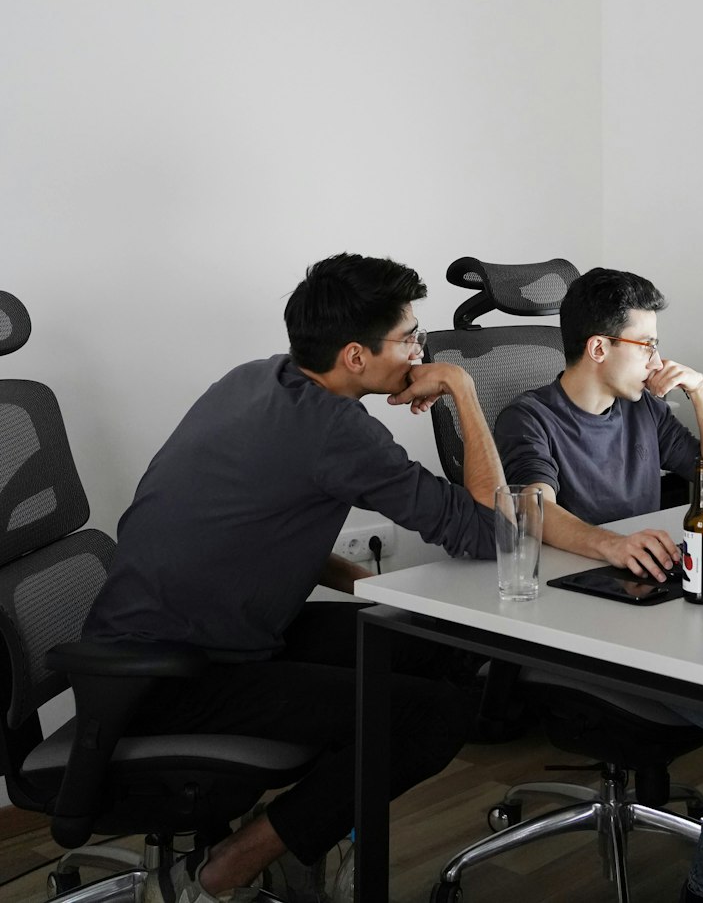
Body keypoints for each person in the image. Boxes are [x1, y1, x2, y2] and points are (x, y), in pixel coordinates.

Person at [84, 252, 505, 903]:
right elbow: (492, 533)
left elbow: (254, 530)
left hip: (173, 637)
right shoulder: (339, 433)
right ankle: (225, 868)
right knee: (432, 717)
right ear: (357, 358)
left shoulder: (255, 379)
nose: (418, 352)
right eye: (410, 338)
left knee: (443, 643)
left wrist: (374, 591)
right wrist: (460, 387)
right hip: (172, 671)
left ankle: (308, 834)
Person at [494, 266, 703, 903]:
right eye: (645, 344)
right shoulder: (528, 418)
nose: (656, 357)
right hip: (576, 628)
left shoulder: (643, 410)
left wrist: (699, 394)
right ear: (600, 347)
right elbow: (531, 507)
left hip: (645, 609)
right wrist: (611, 543)